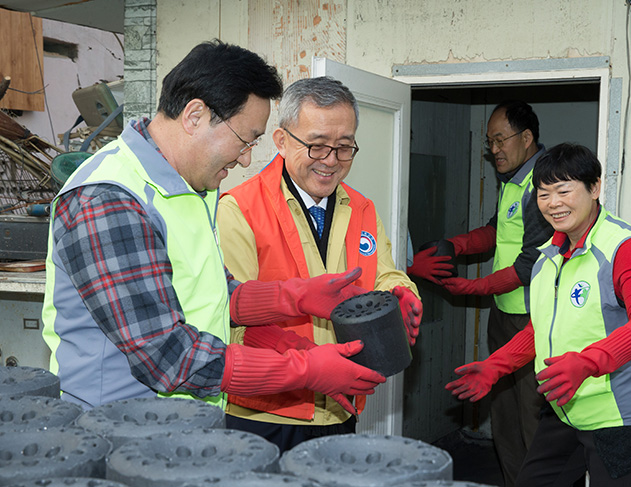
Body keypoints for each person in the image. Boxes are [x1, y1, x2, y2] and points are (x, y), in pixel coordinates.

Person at [41, 40, 386, 412]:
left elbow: (217, 292)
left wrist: (296, 297)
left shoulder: (191, 186)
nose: (246, 158)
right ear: (194, 116)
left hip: (182, 425)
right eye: (245, 140)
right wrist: (304, 370)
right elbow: (168, 355)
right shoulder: (109, 198)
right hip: (120, 430)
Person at [446, 143, 631, 486]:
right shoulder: (549, 254)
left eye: (564, 190)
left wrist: (588, 362)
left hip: (623, 417)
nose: (553, 203)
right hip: (567, 406)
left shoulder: (625, 248)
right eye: (543, 193)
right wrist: (497, 365)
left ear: (595, 188)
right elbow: (544, 329)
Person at [217, 76, 422, 452]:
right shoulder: (240, 209)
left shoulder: (361, 207)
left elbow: (384, 274)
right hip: (268, 416)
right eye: (317, 146)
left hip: (340, 409)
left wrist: (401, 293)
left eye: (344, 148)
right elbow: (230, 320)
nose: (331, 161)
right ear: (281, 141)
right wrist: (311, 362)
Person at [408, 100, 553, 486]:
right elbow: (496, 230)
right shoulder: (514, 181)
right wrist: (455, 245)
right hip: (505, 314)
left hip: (532, 323)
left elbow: (530, 264)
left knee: (531, 418)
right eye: (489, 142)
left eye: (500, 140)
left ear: (526, 138)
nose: (494, 150)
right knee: (504, 416)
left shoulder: (545, 184)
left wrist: (475, 287)